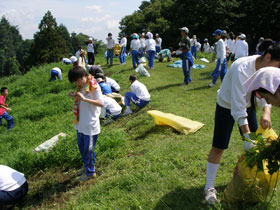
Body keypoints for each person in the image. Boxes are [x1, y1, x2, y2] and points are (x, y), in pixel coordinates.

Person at [204, 40, 280, 204]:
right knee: (219, 146)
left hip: (248, 105)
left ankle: (258, 180)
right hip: (227, 105)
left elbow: (267, 91)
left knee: (258, 148)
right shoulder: (242, 68)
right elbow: (238, 107)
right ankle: (209, 188)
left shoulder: (268, 70)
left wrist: (266, 111)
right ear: (268, 57)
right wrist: (246, 135)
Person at [68, 66, 104, 182]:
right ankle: (86, 166)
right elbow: (81, 100)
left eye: (77, 80)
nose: (76, 83)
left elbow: (101, 103)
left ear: (83, 76)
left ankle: (90, 172)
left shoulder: (94, 87)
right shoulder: (81, 87)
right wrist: (76, 96)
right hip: (81, 123)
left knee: (89, 150)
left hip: (90, 125)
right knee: (82, 148)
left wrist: (83, 99)